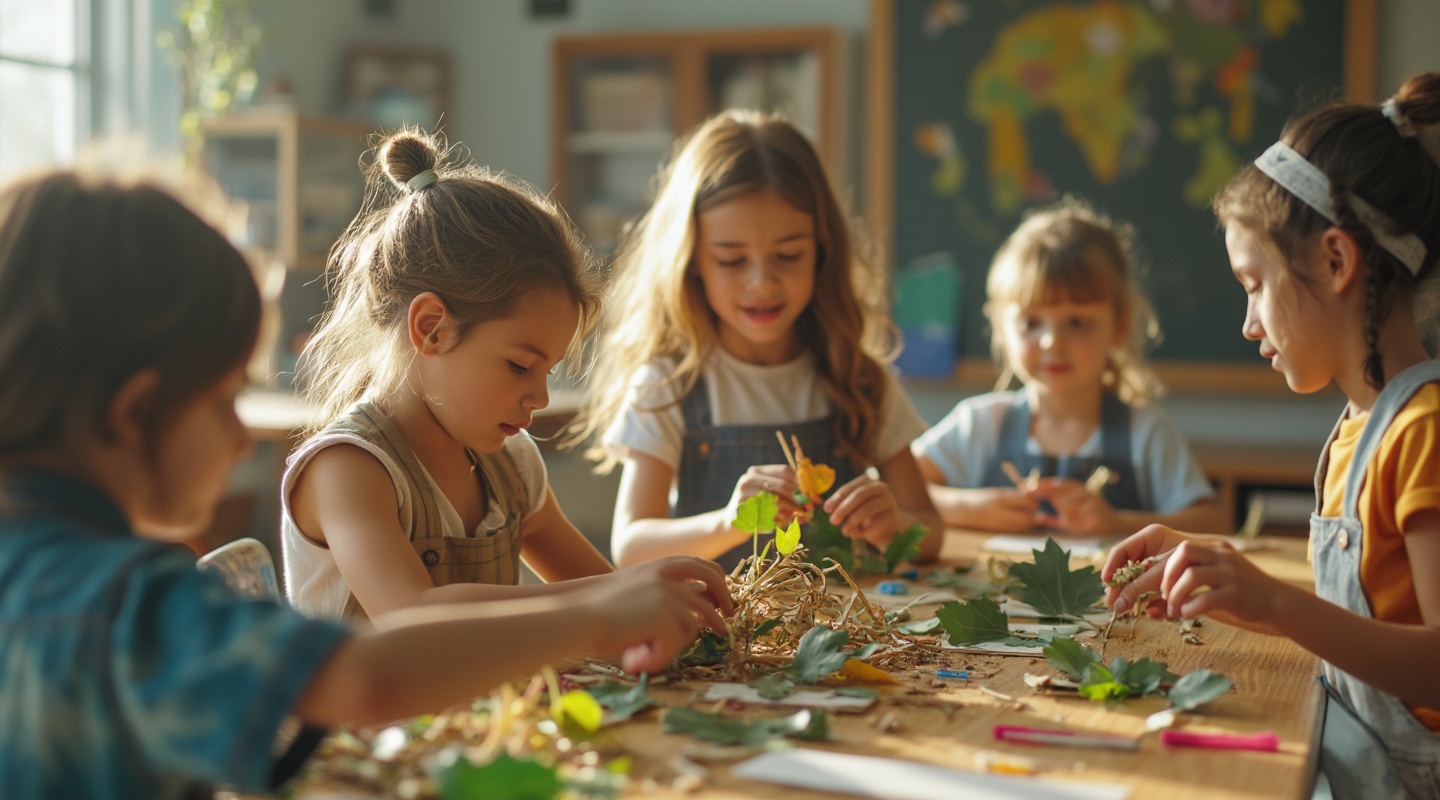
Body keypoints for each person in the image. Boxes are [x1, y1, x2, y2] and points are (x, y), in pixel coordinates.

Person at [0, 167, 732, 799]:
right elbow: (369, 676)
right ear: (134, 411)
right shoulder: (131, 602)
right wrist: (597, 616)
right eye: (226, 399)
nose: (237, 438)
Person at [1104, 73, 1440, 798]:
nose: (1249, 323)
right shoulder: (1361, 424)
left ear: (1335, 260)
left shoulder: (1424, 433)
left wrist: (1276, 603)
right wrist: (1234, 585)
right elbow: (1369, 613)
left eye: (1254, 284)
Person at [285, 130, 643, 620]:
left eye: (548, 372)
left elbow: (612, 598)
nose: (539, 397)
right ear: (431, 328)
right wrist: (628, 593)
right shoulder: (348, 470)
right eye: (520, 366)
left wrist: (653, 595)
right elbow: (413, 614)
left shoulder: (514, 469)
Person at [574, 110, 943, 572]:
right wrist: (731, 522)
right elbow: (631, 547)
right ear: (692, 262)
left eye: (788, 255)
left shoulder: (858, 377)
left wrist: (896, 525)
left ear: (822, 252)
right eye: (731, 260)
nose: (761, 283)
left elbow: (932, 534)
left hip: (848, 630)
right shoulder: (668, 384)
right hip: (725, 635)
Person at [912, 200, 1224, 537]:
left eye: (1077, 322)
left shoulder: (1146, 433)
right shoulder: (980, 425)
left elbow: (1210, 525)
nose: (1052, 342)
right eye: (1031, 322)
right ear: (1001, 328)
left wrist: (1117, 525)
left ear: (1118, 328)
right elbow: (892, 489)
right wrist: (970, 508)